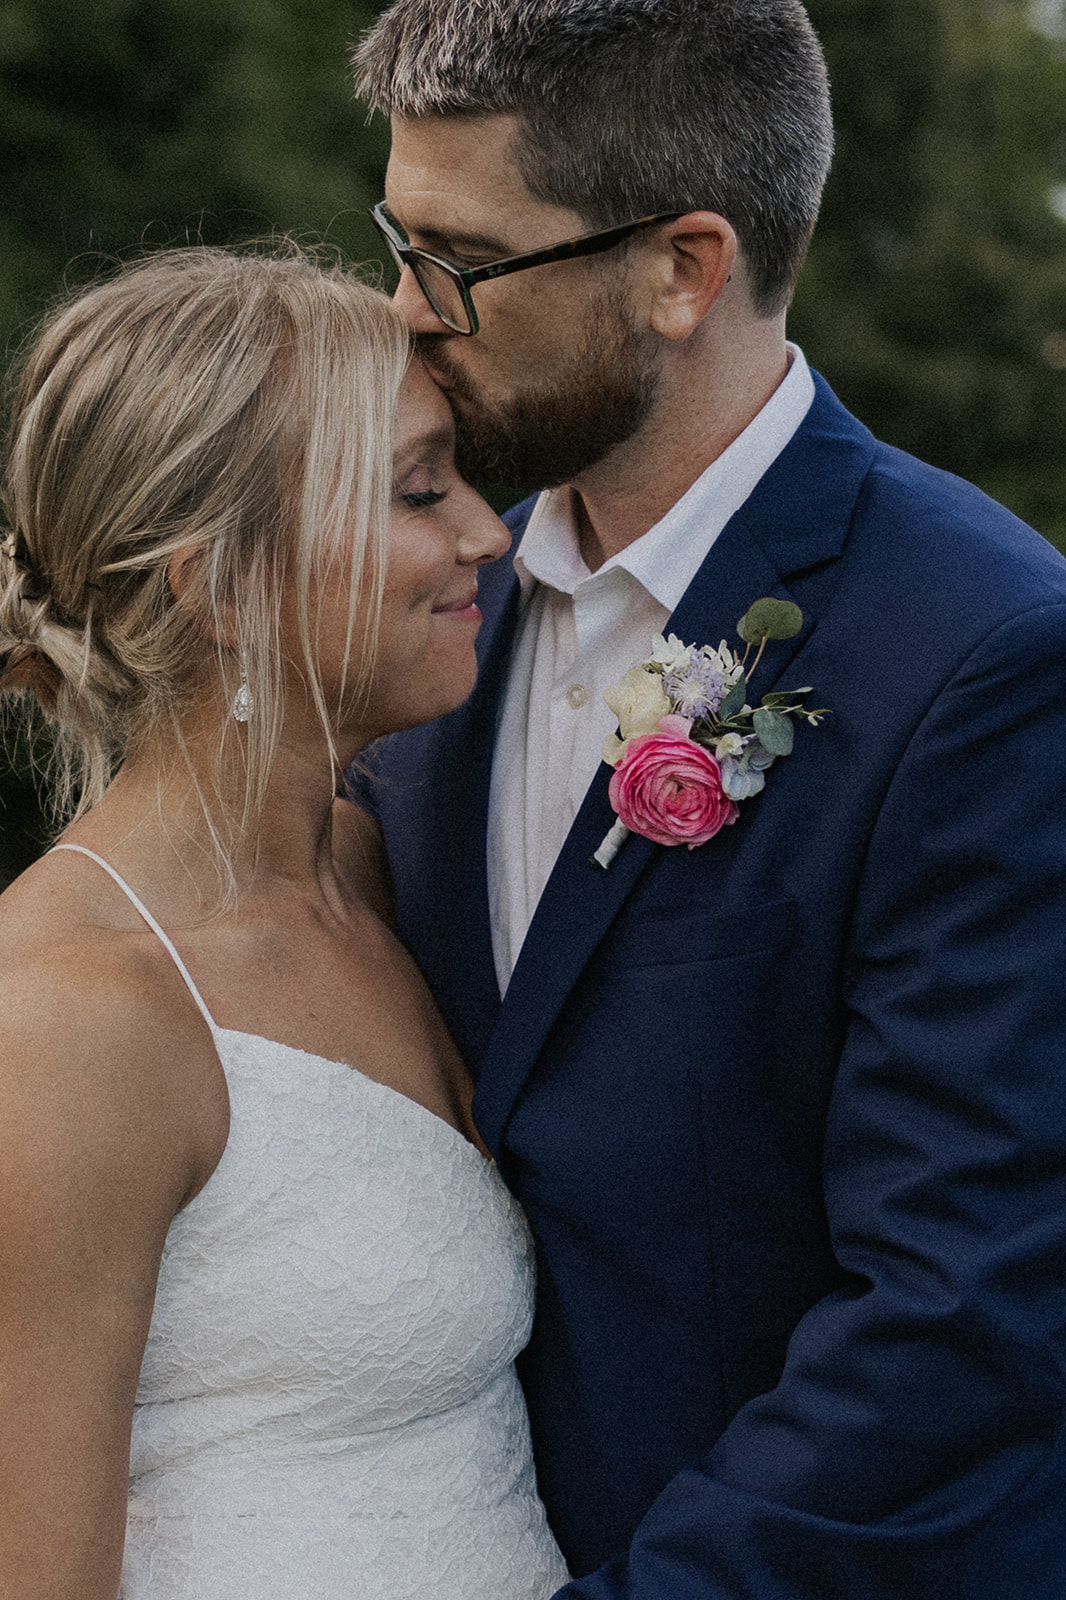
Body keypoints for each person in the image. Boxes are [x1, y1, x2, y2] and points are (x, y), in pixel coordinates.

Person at [349, 2, 1066, 1595]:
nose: (403, 315)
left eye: (456, 261)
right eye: (394, 241)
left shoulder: (985, 660)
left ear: (680, 268)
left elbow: (964, 1317)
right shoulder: (413, 618)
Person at [0, 246, 571, 1600]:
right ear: (227, 588)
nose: (488, 534)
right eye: (418, 489)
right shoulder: (65, 1023)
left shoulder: (383, 875)